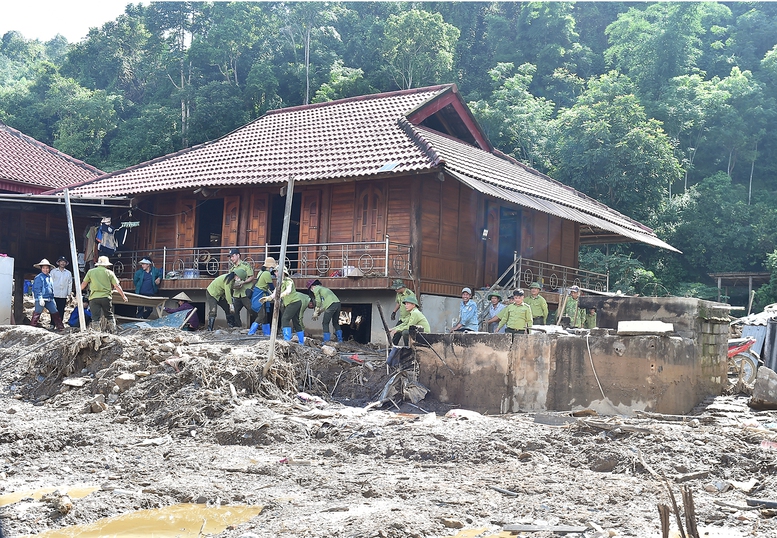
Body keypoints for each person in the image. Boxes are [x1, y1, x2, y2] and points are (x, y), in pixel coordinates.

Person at [81, 255, 128, 332]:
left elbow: (84, 283)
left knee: (95, 317)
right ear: (106, 264)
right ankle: (114, 331)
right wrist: (123, 296)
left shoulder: (91, 272)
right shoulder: (110, 273)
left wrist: (78, 291)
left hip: (94, 297)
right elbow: (117, 285)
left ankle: (97, 333)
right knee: (109, 315)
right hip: (106, 297)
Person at [31, 259, 65, 331]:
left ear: (49, 269)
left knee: (55, 312)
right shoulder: (39, 277)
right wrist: (40, 298)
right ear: (41, 269)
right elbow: (37, 289)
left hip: (49, 299)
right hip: (41, 298)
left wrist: (52, 298)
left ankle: (61, 328)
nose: (45, 269)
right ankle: (32, 328)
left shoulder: (49, 277)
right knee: (37, 313)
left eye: (47, 268)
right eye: (43, 268)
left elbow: (50, 288)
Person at [248, 256, 277, 336]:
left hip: (260, 294)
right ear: (270, 267)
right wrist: (276, 294)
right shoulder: (267, 274)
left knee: (265, 316)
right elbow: (271, 286)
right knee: (262, 315)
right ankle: (251, 331)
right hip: (259, 295)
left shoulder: (261, 272)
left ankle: (267, 333)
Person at [228, 248, 256, 329]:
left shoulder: (246, 265)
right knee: (234, 311)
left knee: (252, 310)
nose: (231, 258)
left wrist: (243, 282)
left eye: (233, 256)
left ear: (238, 255)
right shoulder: (232, 269)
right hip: (236, 293)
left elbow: (252, 277)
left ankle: (258, 325)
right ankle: (238, 327)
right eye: (230, 257)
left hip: (245, 292)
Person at [278, 266, 304, 343]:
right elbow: (275, 292)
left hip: (294, 302)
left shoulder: (288, 281)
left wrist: (280, 295)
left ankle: (287, 341)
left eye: (277, 272)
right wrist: (269, 297)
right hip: (295, 302)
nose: (275, 273)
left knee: (285, 319)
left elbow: (288, 290)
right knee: (296, 322)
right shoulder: (281, 282)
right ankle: (301, 342)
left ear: (283, 273)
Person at [50, 256, 73, 325]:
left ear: (66, 263)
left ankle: (60, 323)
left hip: (63, 294)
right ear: (58, 263)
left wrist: (69, 293)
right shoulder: (53, 272)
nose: (62, 263)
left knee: (61, 310)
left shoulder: (68, 273)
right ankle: (52, 323)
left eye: (64, 262)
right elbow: (50, 282)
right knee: (53, 309)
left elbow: (70, 283)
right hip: (54, 293)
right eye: (61, 261)